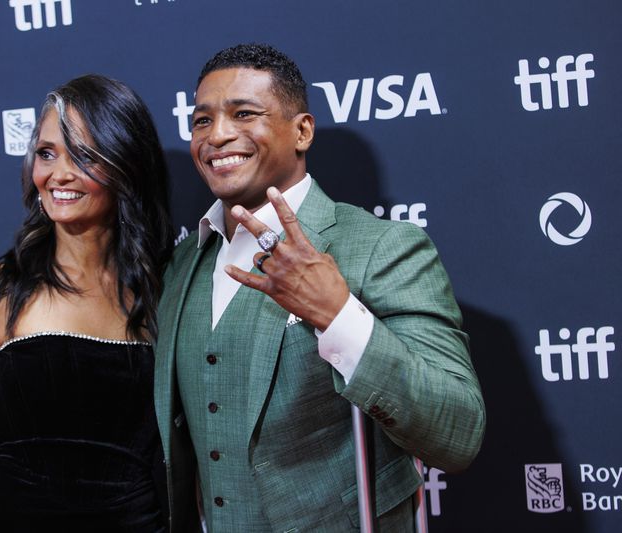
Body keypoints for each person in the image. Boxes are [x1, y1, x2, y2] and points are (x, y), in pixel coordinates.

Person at [153, 43, 486, 532]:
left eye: (244, 114)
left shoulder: (382, 247)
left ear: (302, 131)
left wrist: (340, 315)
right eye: (202, 120)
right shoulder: (181, 264)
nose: (218, 135)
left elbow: (457, 432)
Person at [0, 74, 173, 531]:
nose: (57, 174)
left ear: (126, 163)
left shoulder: (167, 288)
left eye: (82, 155)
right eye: (46, 153)